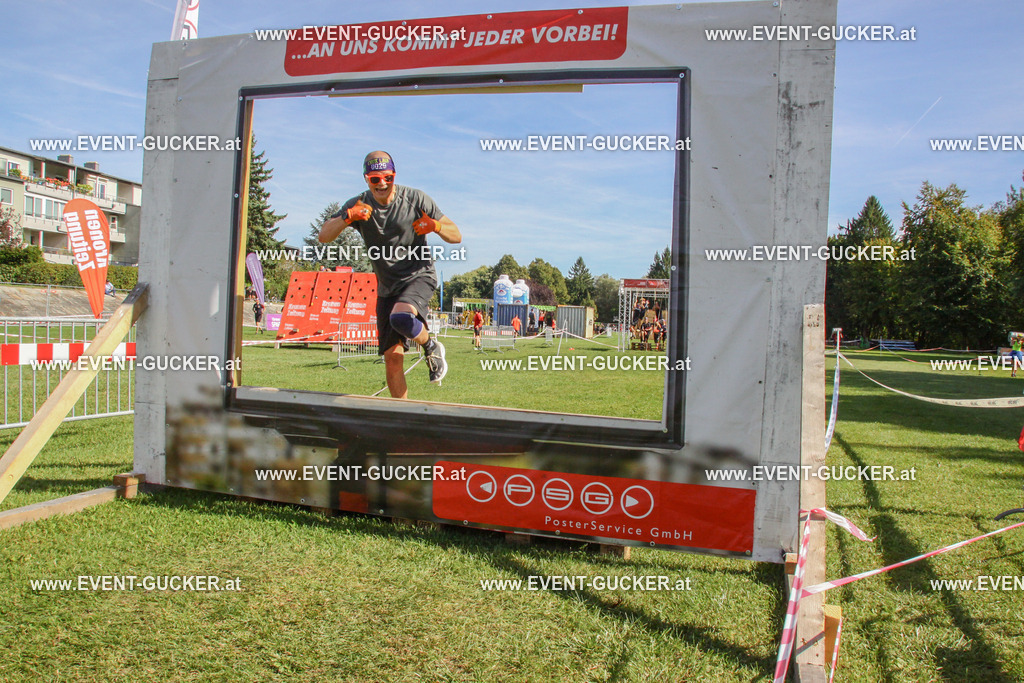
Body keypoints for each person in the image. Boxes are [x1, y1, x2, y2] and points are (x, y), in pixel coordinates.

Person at [318, 151, 461, 397]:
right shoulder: (358, 203)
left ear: (394, 175)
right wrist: (348, 217)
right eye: (375, 179)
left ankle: (431, 346)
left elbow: (456, 235)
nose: (382, 184)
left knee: (401, 317)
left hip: (419, 275)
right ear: (366, 179)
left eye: (388, 178)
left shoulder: (416, 199)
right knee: (392, 359)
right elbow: (324, 236)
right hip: (387, 288)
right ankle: (402, 414)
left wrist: (435, 226)